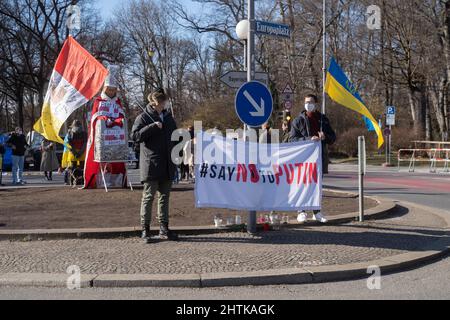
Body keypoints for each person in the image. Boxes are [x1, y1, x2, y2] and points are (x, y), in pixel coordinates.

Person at [131, 88, 178, 243]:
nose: (167, 104)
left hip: (167, 163)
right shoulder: (143, 117)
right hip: (151, 163)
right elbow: (135, 136)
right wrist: (152, 127)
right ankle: (145, 229)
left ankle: (164, 227)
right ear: (157, 103)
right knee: (149, 197)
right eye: (165, 102)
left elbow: (175, 137)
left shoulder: (169, 118)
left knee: (164, 197)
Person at [289, 94, 336, 224]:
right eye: (306, 102)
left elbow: (333, 137)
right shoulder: (298, 121)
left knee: (317, 186)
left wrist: (324, 136)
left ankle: (317, 212)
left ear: (316, 104)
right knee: (302, 185)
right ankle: (301, 211)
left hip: (319, 159)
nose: (308, 104)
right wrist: (308, 139)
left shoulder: (323, 120)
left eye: (311, 102)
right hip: (303, 160)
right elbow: (292, 139)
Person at [67, 120, 87, 185]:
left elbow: (69, 145)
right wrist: (80, 152)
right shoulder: (84, 133)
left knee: (74, 168)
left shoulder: (69, 133)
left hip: (74, 153)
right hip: (81, 152)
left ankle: (73, 181)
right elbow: (85, 144)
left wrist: (75, 152)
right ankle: (82, 181)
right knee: (82, 168)